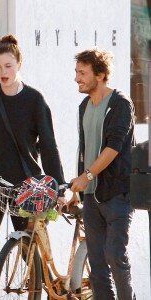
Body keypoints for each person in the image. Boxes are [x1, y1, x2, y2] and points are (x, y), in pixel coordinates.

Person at [0, 34, 66, 299]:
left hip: (27, 187)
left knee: (28, 252)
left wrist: (60, 186)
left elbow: (49, 147)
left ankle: (35, 292)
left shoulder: (34, 100)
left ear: (19, 64)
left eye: (8, 66)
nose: (2, 72)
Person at [69, 48, 136, 300]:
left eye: (83, 73)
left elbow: (114, 147)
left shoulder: (120, 103)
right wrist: (78, 188)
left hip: (117, 194)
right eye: (76, 72)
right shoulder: (84, 106)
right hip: (90, 198)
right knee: (96, 266)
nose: (77, 78)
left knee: (115, 256)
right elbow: (84, 149)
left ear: (100, 74)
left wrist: (86, 176)